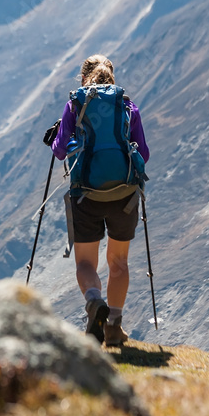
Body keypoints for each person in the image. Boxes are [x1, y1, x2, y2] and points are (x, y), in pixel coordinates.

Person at [47, 54, 149, 346]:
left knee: (85, 265)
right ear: (112, 78)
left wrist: (59, 134)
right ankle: (114, 326)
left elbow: (59, 151)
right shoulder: (127, 107)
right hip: (124, 194)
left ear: (83, 79)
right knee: (118, 262)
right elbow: (144, 153)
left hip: (86, 195)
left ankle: (94, 302)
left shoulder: (75, 105)